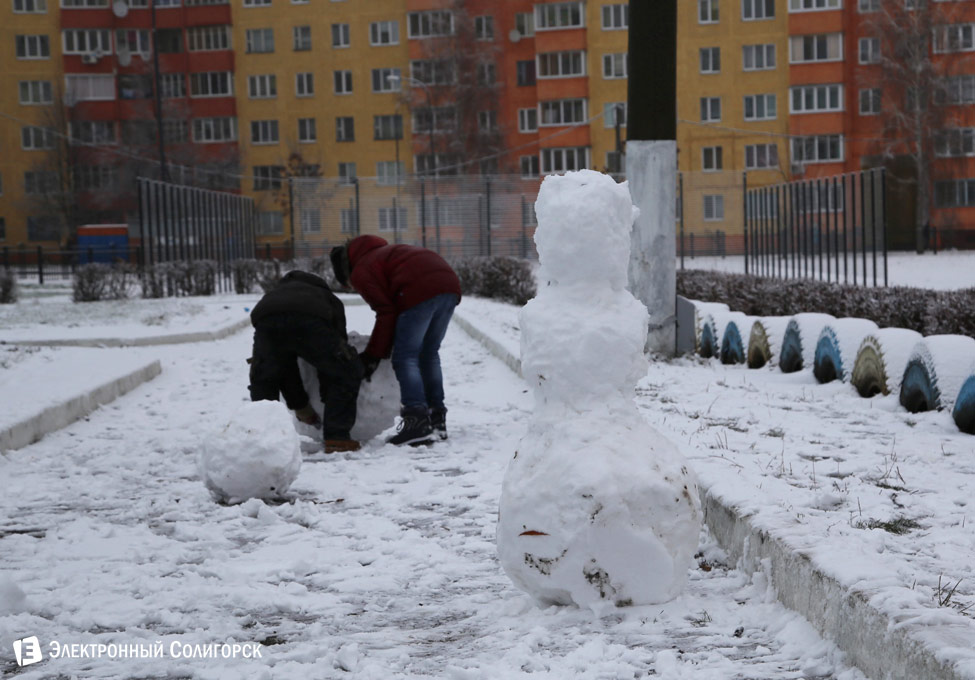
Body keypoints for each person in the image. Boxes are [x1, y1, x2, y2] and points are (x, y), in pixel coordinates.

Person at [330, 236, 461, 446]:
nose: (354, 287)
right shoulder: (385, 254)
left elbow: (386, 313)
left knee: (405, 357)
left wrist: (373, 355)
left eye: (349, 285)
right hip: (449, 286)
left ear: (346, 271)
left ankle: (416, 422)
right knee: (428, 354)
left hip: (418, 290)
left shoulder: (361, 270)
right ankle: (437, 419)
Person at [248, 270, 363, 453]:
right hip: (310, 320)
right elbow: (336, 351)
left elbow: (285, 367)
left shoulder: (275, 294)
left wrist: (301, 407)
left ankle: (260, 440)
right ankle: (337, 438)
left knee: (265, 377)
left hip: (266, 319)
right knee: (346, 368)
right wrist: (327, 394)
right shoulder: (326, 296)